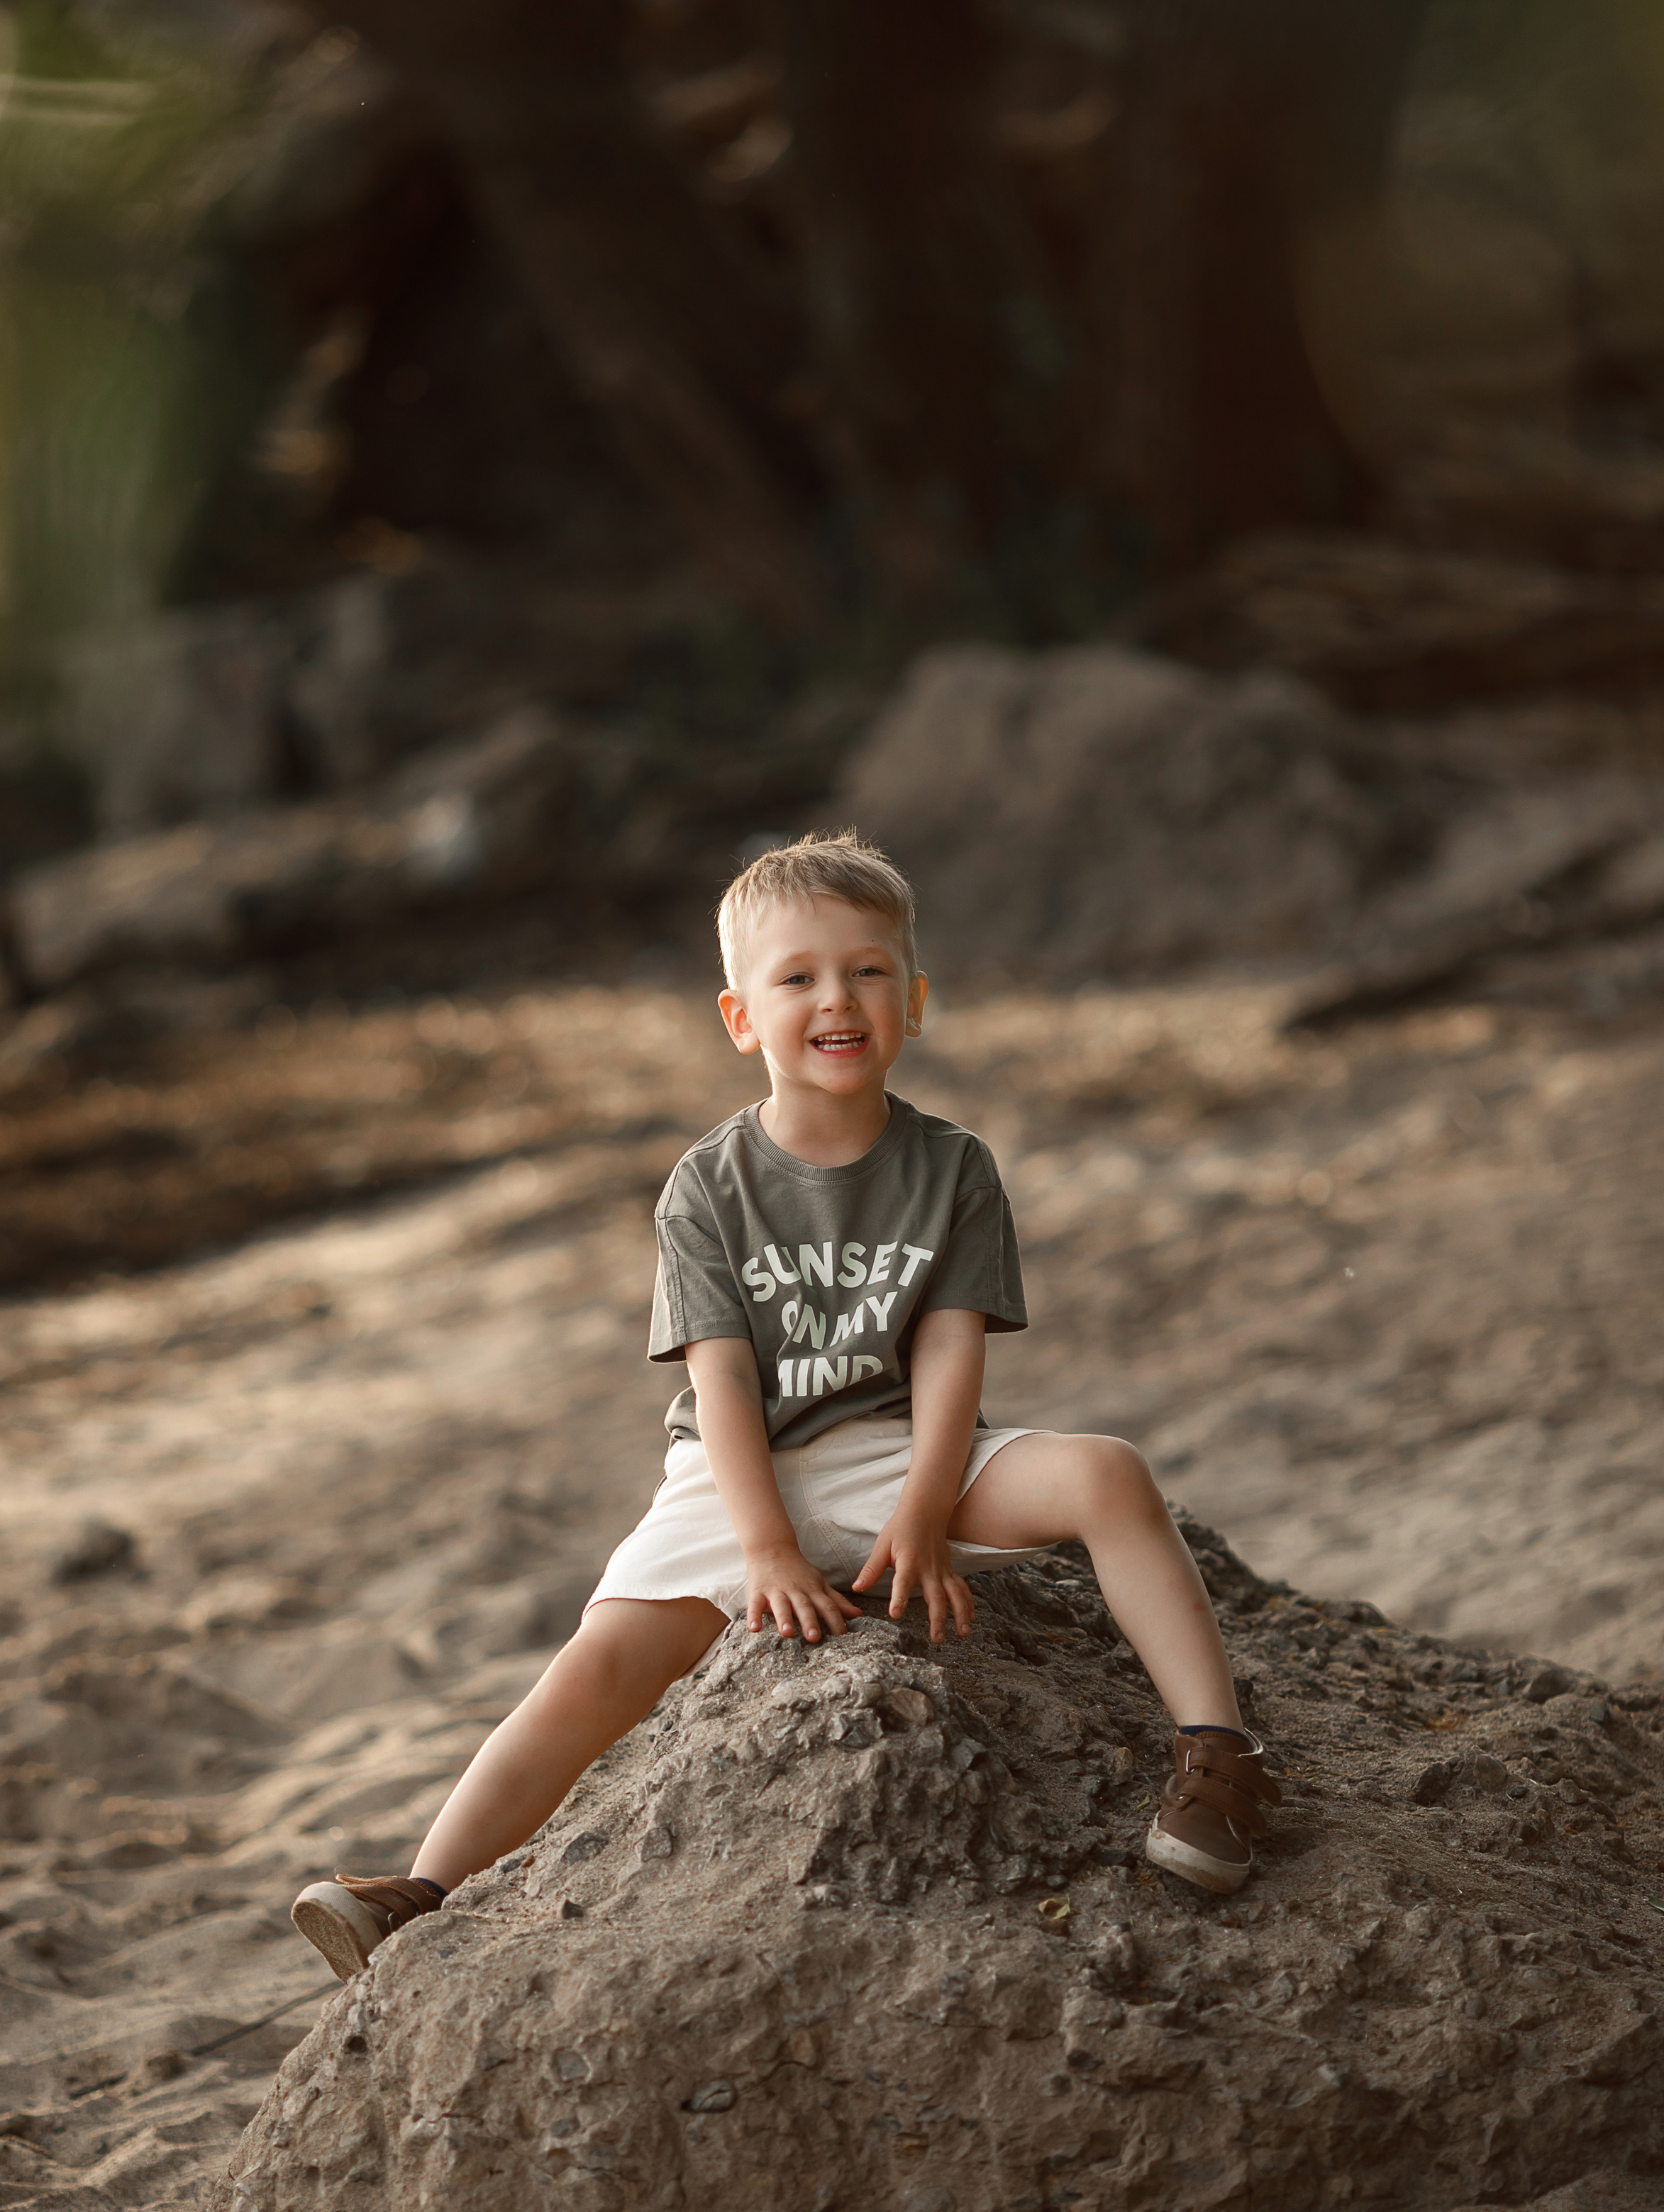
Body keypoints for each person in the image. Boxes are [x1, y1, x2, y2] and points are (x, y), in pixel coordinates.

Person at [290, 833, 1278, 1980]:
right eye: (797, 976)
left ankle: (1220, 1763)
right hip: (735, 1468)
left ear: (912, 1000)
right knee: (596, 1662)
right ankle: (419, 1889)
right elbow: (717, 1383)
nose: (836, 999)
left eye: (866, 972)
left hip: (898, 1448)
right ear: (741, 1017)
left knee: (1108, 1471)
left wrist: (919, 1511)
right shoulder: (707, 1187)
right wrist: (762, 1546)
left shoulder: (953, 1168)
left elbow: (954, 1355)